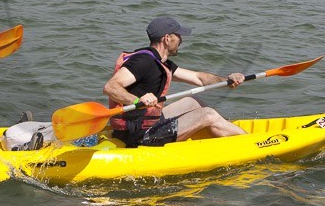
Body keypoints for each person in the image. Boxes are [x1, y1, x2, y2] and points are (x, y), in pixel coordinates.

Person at [102, 16, 246, 148]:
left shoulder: (161, 63)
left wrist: (227, 80)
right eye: (178, 36)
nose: (181, 41)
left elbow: (199, 78)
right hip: (137, 135)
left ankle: (223, 129)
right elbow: (111, 87)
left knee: (193, 102)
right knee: (208, 114)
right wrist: (137, 100)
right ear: (166, 39)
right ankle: (250, 142)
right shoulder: (143, 62)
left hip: (149, 124)